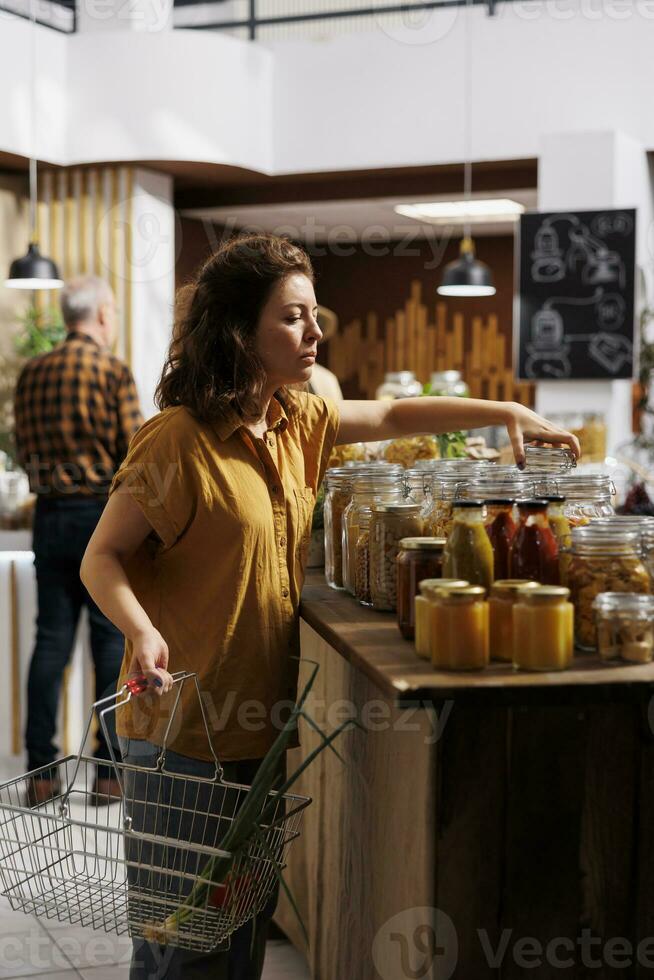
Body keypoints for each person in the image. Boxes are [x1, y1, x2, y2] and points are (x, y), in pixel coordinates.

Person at [79, 233, 579, 979]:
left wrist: (503, 407)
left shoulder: (296, 421)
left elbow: (388, 418)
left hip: (259, 732)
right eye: (293, 317)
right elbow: (102, 558)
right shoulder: (176, 441)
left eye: (315, 316)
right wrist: (142, 631)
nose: (315, 333)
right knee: (182, 953)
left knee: (235, 947)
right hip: (181, 736)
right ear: (238, 330)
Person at [13, 275, 143, 807]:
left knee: (50, 645)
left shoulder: (32, 373)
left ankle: (41, 774)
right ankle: (109, 776)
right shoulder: (112, 371)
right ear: (104, 315)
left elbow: (22, 448)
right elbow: (136, 452)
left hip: (50, 517)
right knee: (109, 646)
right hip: (101, 517)